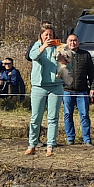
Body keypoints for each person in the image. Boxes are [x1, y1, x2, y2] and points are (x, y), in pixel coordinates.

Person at [27, 22, 68, 156]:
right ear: (41, 36)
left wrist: (63, 61)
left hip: (55, 86)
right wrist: (43, 47)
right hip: (39, 86)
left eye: (51, 34)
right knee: (36, 118)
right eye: (46, 35)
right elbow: (32, 56)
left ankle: (50, 146)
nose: (49, 37)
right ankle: (32, 144)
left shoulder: (61, 47)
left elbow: (69, 68)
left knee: (53, 118)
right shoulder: (37, 46)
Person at [61, 34, 94, 145]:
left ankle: (87, 139)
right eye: (70, 41)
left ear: (78, 42)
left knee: (85, 115)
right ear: (67, 42)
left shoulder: (85, 55)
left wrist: (93, 87)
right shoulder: (62, 55)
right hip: (67, 90)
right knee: (67, 114)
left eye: (75, 40)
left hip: (82, 90)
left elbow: (92, 73)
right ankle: (70, 138)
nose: (73, 43)